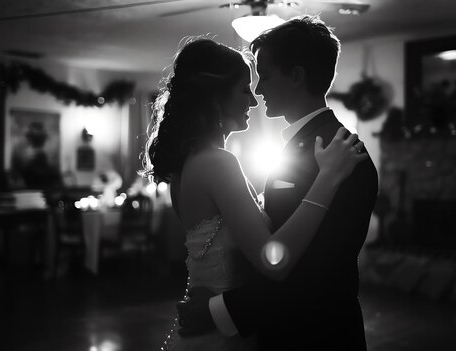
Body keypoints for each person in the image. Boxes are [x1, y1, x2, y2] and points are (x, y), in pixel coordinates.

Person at [142, 36, 368, 351]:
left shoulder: (186, 166)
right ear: (216, 96)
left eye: (258, 83)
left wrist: (219, 307)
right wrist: (327, 179)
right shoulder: (218, 163)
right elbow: (273, 262)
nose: (254, 98)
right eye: (244, 89)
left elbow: (319, 269)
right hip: (225, 337)